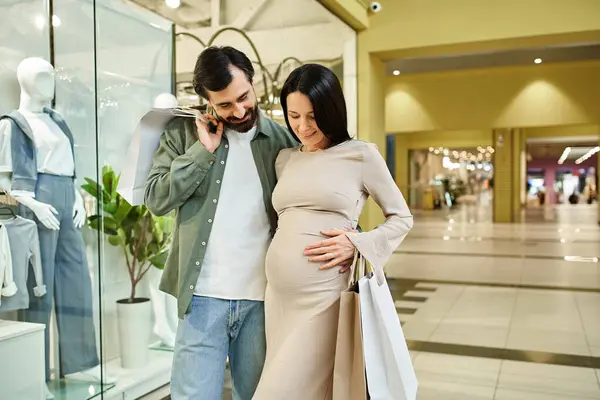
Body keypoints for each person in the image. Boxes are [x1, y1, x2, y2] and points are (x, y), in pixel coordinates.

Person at [144, 46, 307, 399]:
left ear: (253, 81)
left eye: (243, 97)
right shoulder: (181, 134)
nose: (239, 110)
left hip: (263, 300)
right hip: (202, 299)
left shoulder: (284, 142)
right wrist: (203, 151)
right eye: (225, 105)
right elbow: (156, 199)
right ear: (206, 101)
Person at [252, 64, 414, 399]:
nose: (302, 126)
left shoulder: (361, 155)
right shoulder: (285, 159)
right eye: (293, 115)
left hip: (323, 298)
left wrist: (357, 243)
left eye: (312, 116)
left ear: (331, 110)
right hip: (279, 300)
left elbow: (402, 217)